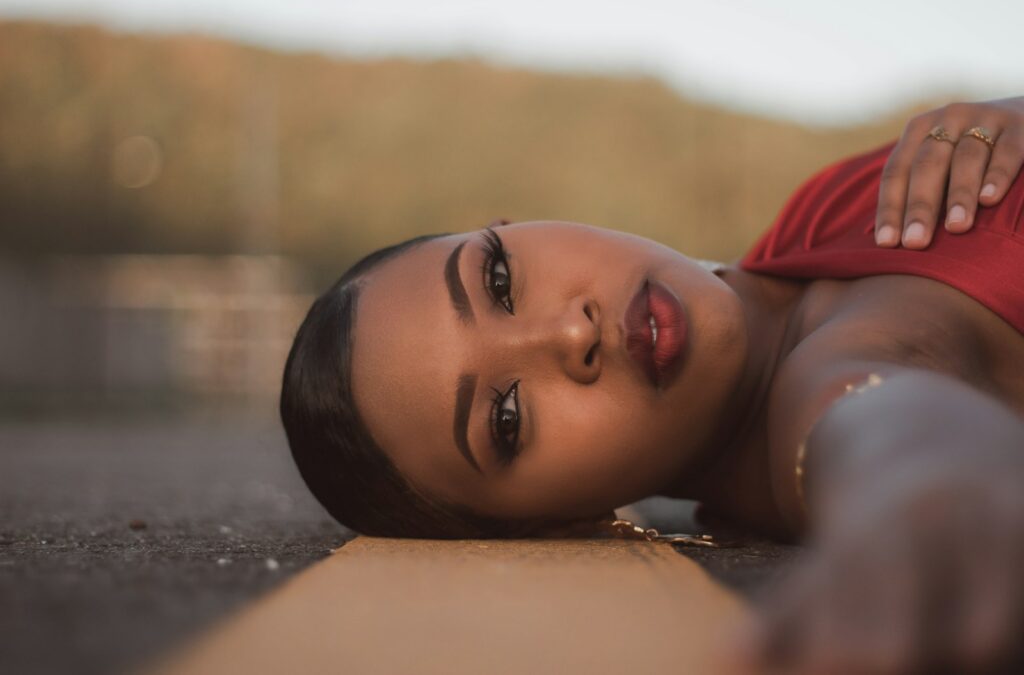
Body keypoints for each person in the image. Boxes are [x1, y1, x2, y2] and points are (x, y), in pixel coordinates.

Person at [280, 97, 1024, 672]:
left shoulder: (812, 219)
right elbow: (885, 418)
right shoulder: (824, 391)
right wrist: (928, 496)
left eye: (499, 279)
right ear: (558, 523)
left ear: (518, 223)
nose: (570, 335)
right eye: (507, 419)